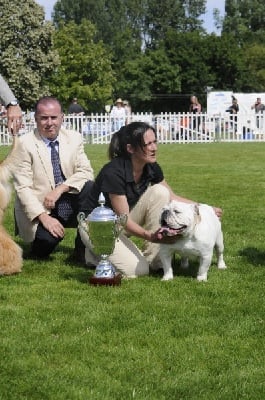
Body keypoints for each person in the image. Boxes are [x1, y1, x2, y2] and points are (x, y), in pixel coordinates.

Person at [83, 121, 222, 277]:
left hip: (120, 219)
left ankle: (155, 261)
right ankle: (93, 253)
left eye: (155, 142)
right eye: (148, 144)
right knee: (138, 271)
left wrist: (205, 207)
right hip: (98, 225)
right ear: (130, 149)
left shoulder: (150, 166)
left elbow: (172, 197)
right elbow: (125, 220)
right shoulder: (113, 172)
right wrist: (150, 236)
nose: (154, 148)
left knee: (161, 192)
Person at [12, 96, 94, 260]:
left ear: (62, 117)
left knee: (90, 187)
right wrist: (44, 218)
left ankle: (81, 248)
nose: (49, 123)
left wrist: (60, 189)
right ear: (36, 119)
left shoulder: (74, 138)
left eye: (54, 117)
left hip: (68, 199)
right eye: (44, 118)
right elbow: (23, 189)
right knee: (44, 246)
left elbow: (86, 172)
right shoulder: (23, 144)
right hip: (42, 207)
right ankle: (38, 247)